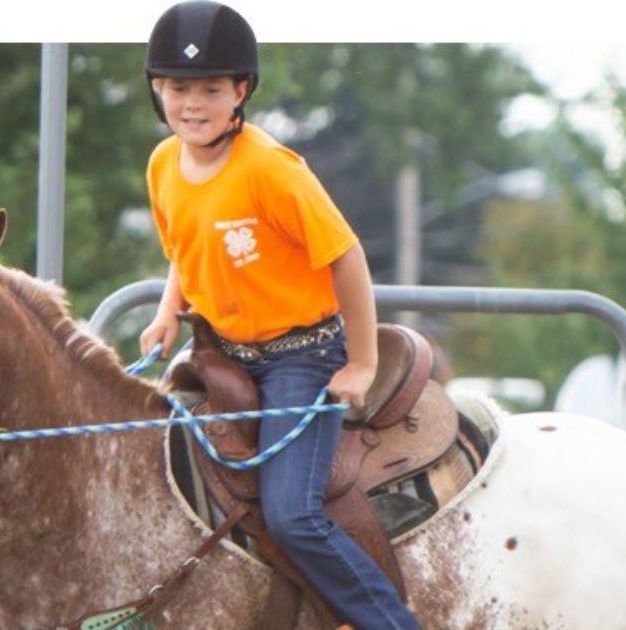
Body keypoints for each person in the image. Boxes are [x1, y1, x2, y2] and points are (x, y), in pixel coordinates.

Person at [137, 2, 419, 628]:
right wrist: (166, 312)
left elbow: (346, 257)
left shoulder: (269, 169)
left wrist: (362, 362)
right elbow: (186, 248)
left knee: (293, 513)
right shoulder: (163, 164)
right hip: (221, 353)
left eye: (211, 88)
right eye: (179, 87)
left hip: (301, 354)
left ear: (240, 91)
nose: (193, 102)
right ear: (158, 88)